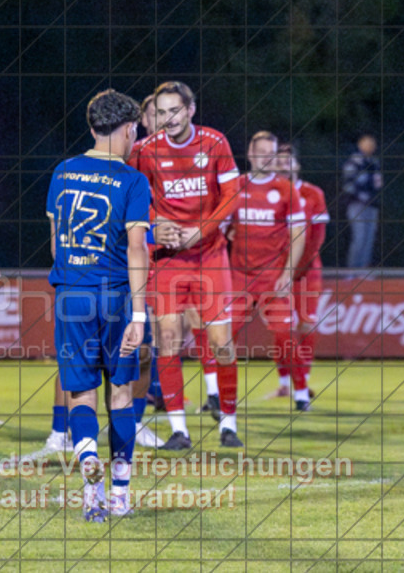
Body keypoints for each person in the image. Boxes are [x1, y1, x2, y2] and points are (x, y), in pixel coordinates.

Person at [46, 88, 150, 521]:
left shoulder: (64, 171)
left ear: (92, 128)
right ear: (129, 129)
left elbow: (55, 245)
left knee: (80, 393)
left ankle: (89, 470)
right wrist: (139, 314)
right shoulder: (132, 180)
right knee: (121, 393)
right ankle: (121, 494)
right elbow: (137, 248)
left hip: (71, 293)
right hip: (114, 296)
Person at [127, 81, 241, 450]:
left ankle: (228, 422)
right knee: (168, 342)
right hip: (167, 259)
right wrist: (157, 224)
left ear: (191, 110)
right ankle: (180, 430)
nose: (168, 118)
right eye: (160, 112)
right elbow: (131, 198)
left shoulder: (215, 143)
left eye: (175, 110)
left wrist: (201, 231)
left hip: (209, 256)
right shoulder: (144, 150)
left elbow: (233, 196)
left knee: (222, 343)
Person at [227, 132, 309, 414]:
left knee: (286, 337)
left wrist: (288, 272)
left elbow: (299, 233)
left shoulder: (286, 189)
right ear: (250, 154)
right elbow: (219, 225)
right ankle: (220, 398)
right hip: (238, 278)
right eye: (260, 152)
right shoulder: (235, 186)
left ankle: (300, 392)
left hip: (273, 278)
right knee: (223, 338)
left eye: (271, 153)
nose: (266, 157)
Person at [269, 144, 327, 398]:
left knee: (305, 325)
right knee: (281, 327)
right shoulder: (268, 193)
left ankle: (303, 380)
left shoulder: (312, 193)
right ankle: (285, 383)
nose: (283, 164)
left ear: (297, 164)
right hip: (275, 272)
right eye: (278, 160)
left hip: (307, 272)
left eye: (288, 160)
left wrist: (297, 269)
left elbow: (317, 238)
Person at [342, 134, 382, 269]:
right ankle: (352, 269)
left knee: (369, 238)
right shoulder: (353, 162)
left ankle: (364, 268)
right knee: (359, 237)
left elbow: (378, 183)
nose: (371, 147)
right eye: (368, 144)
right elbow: (348, 184)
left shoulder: (374, 162)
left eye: (373, 144)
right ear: (360, 145)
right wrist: (361, 196)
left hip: (372, 204)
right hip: (357, 204)